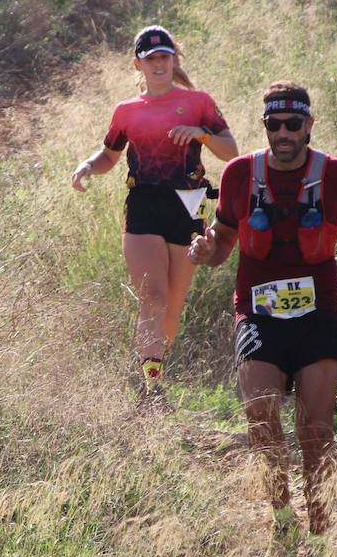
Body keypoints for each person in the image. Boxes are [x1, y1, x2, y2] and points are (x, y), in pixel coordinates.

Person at [189, 82, 337, 543]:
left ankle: (320, 531)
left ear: (309, 126)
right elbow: (223, 244)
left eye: (292, 124)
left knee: (316, 431)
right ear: (264, 126)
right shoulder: (240, 174)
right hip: (258, 315)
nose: (283, 133)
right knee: (261, 417)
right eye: (273, 125)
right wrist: (206, 251)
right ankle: (282, 526)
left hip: (318, 314)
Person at [70, 25, 239, 397]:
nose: (159, 64)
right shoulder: (126, 111)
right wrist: (86, 165)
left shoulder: (199, 103)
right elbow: (110, 156)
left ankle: (153, 368)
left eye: (165, 57)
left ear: (173, 59)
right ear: (138, 65)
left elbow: (232, 152)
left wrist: (201, 134)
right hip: (144, 204)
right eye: (151, 59)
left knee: (172, 311)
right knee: (153, 299)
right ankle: (152, 389)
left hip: (188, 204)